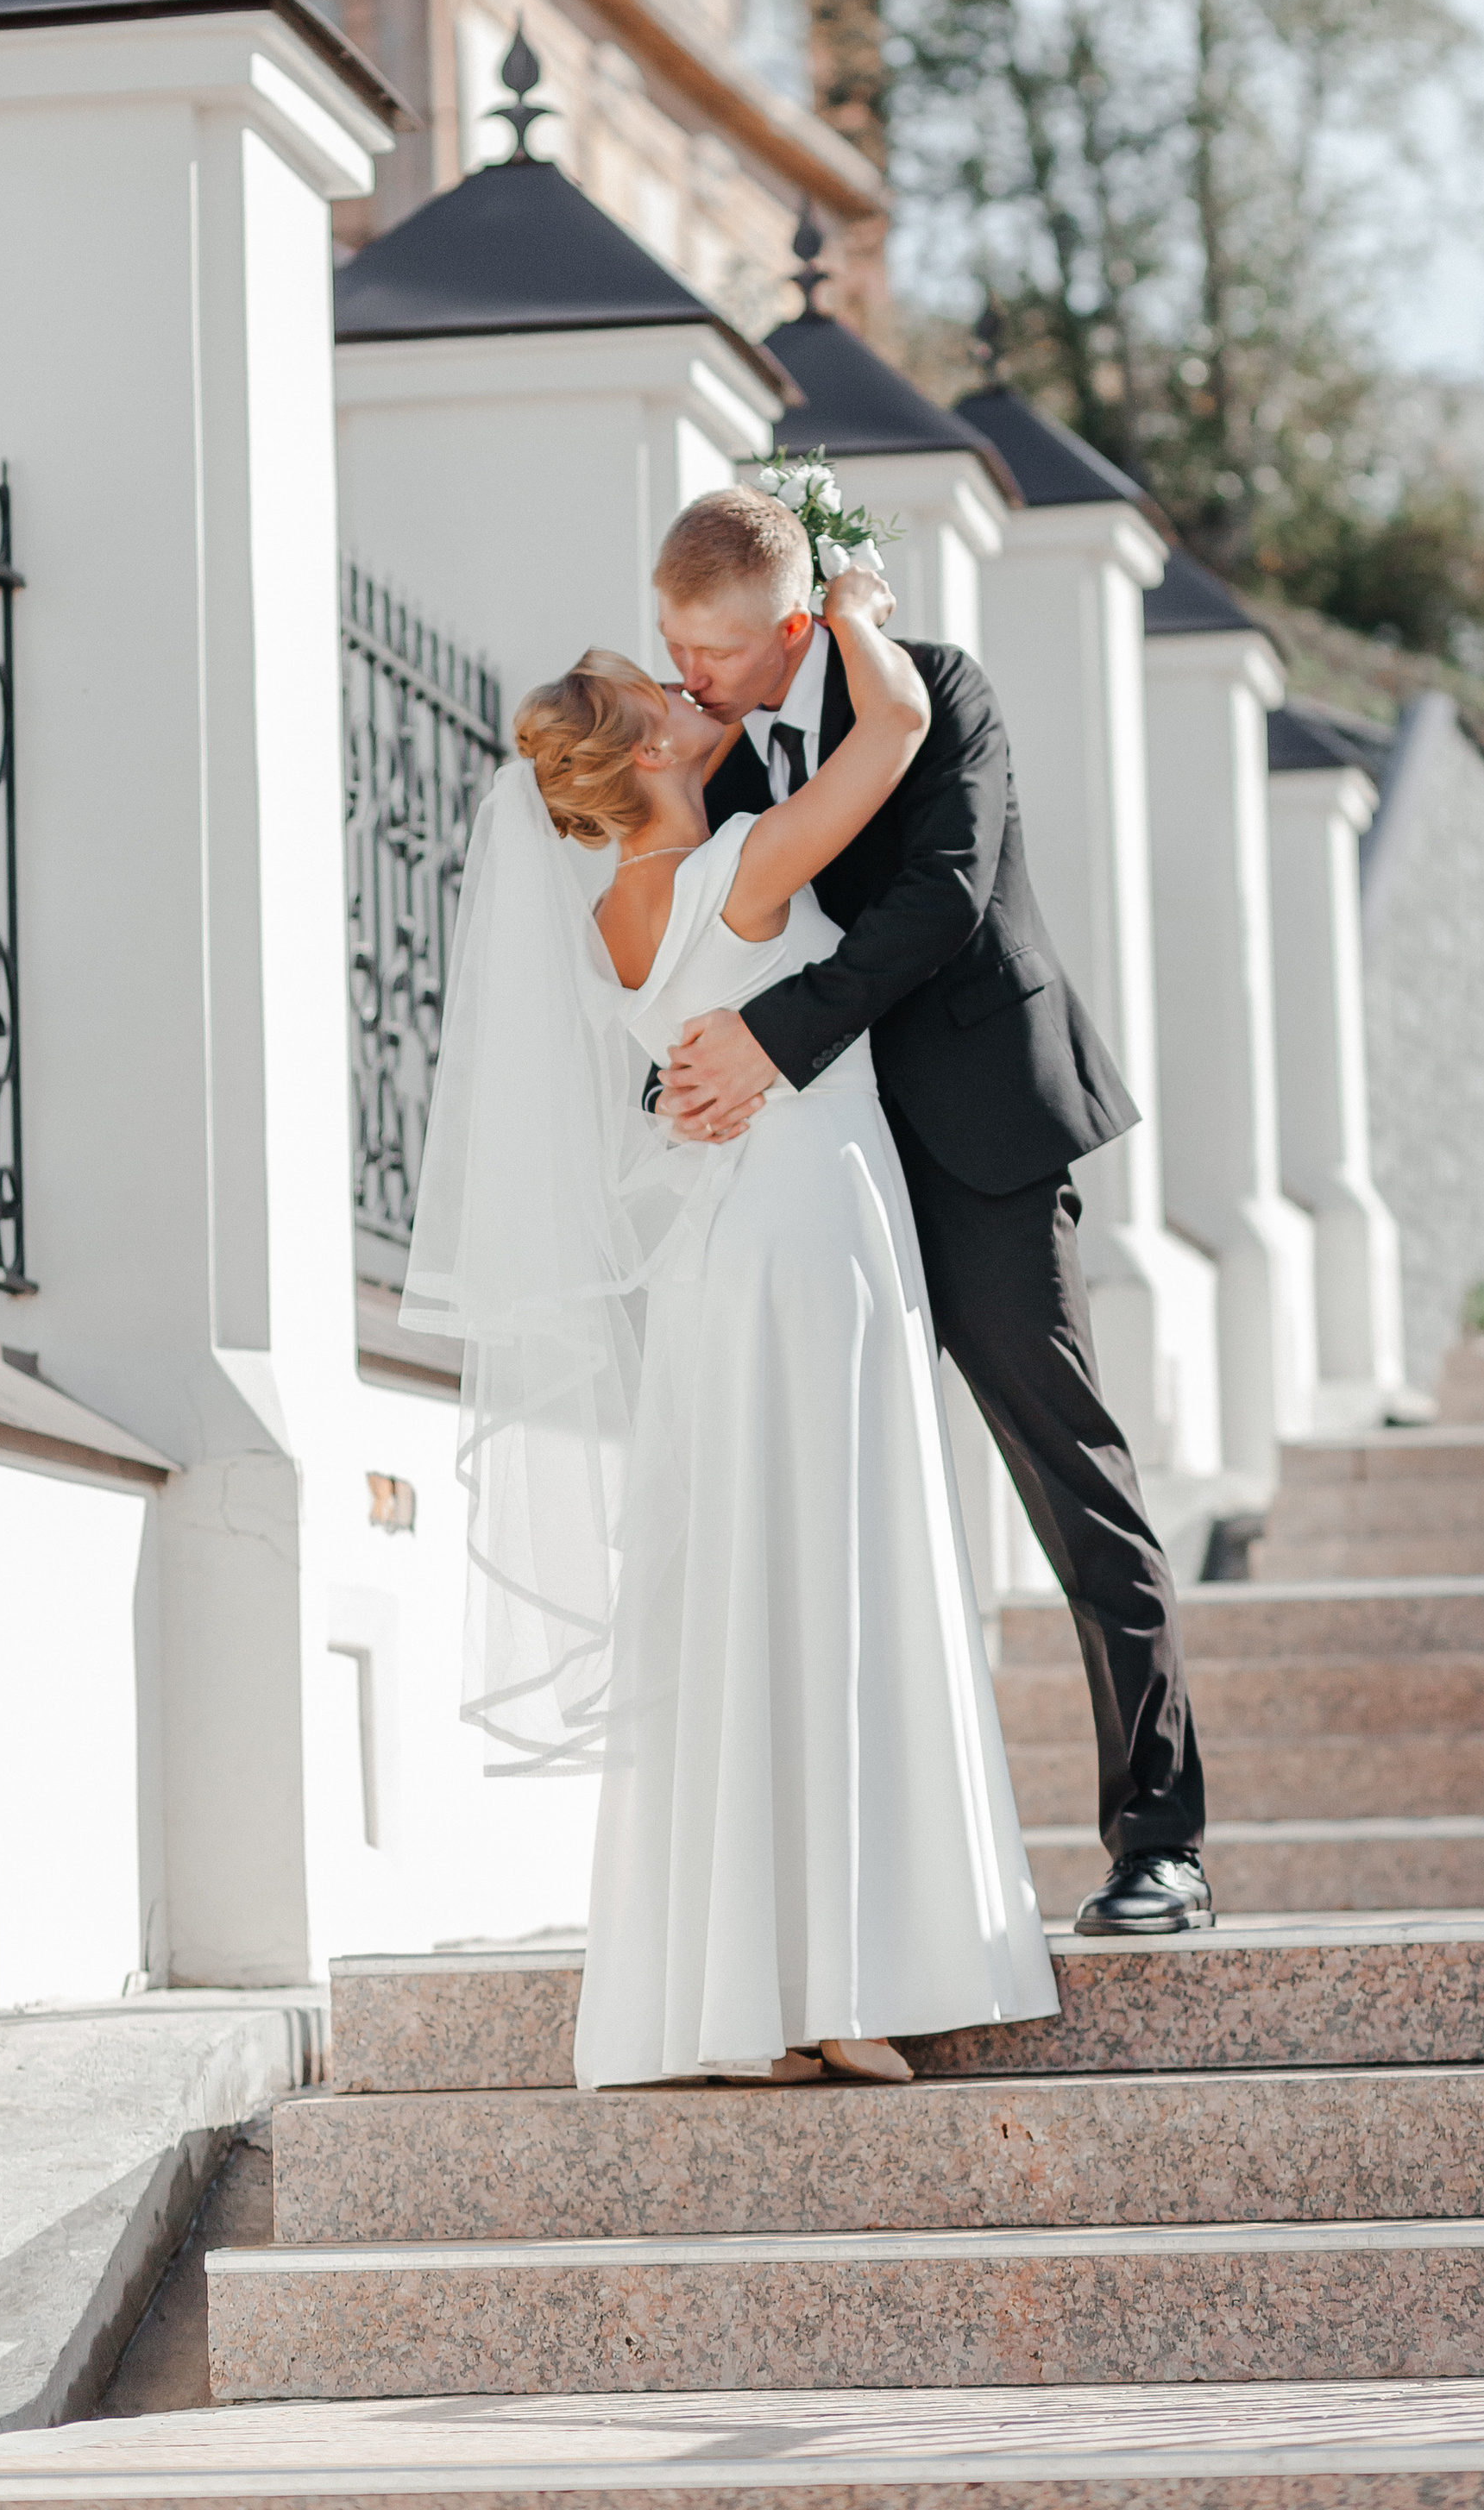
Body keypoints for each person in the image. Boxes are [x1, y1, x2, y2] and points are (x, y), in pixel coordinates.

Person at [404, 546, 1057, 2090]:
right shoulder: (746, 862)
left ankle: (732, 1996)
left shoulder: (616, 918)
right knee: (826, 1576)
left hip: (716, 1261)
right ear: (645, 753)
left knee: (735, 1605)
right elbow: (893, 736)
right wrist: (850, 606)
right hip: (805, 1236)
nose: (688, 689)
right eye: (661, 691)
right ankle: (835, 1988)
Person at [653, 487, 1209, 1938]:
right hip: (811, 1182)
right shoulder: (708, 761)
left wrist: (771, 1039)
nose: (684, 674)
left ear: (793, 624)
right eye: (669, 643)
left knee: (1072, 1478)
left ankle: (1162, 1843)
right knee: (830, 1516)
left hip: (974, 1147)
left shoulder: (943, 692)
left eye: (708, 649)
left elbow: (945, 900)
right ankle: (851, 1901)